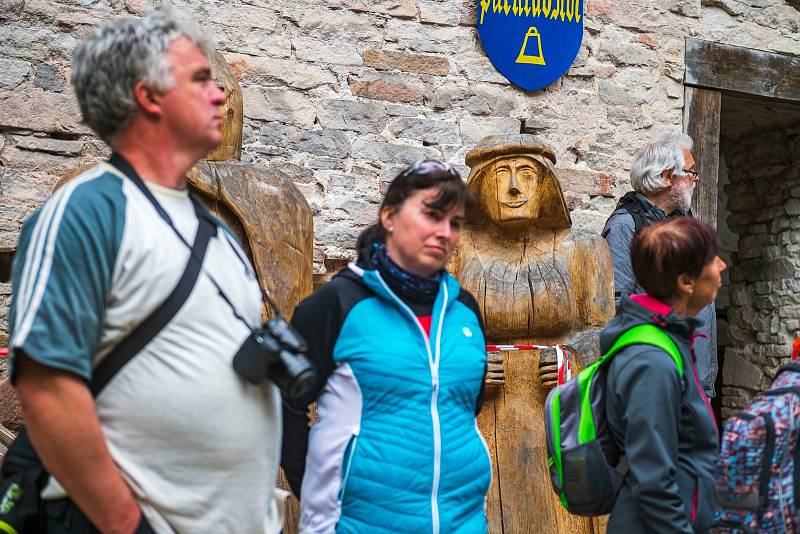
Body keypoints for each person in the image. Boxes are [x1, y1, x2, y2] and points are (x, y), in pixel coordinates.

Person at [8, 10, 284, 533]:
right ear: (149, 97)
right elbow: (47, 387)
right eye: (201, 79)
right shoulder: (87, 212)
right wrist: (125, 525)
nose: (223, 95)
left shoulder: (219, 234)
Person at [281, 160, 492, 533]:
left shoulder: (465, 311)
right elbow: (285, 408)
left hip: (464, 522)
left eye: (455, 223)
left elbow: (463, 407)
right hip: (357, 524)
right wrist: (319, 497)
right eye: (432, 215)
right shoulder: (336, 304)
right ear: (389, 216)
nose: (445, 232)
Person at [603, 217, 722, 533]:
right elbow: (652, 481)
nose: (722, 266)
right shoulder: (651, 362)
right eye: (713, 260)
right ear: (686, 282)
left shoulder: (669, 340)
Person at [602, 132, 718, 397]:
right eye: (691, 172)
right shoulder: (625, 226)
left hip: (695, 385)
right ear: (667, 177)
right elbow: (614, 305)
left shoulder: (685, 225)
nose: (695, 179)